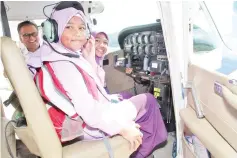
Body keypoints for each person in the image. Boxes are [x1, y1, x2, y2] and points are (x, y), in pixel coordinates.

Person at [29, 7, 167, 158]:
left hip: (85, 119)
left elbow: (94, 87)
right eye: (69, 27)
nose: (77, 33)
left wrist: (89, 57)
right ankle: (140, 152)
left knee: (130, 97)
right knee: (149, 100)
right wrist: (122, 128)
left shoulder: (61, 56)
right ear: (53, 31)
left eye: (82, 28)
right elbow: (90, 112)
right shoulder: (63, 65)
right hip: (89, 127)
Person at [91, 31, 133, 99]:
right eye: (97, 40)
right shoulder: (84, 62)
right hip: (99, 98)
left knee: (128, 95)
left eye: (105, 42)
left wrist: (132, 71)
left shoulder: (104, 59)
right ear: (89, 41)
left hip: (105, 92)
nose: (102, 45)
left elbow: (124, 70)